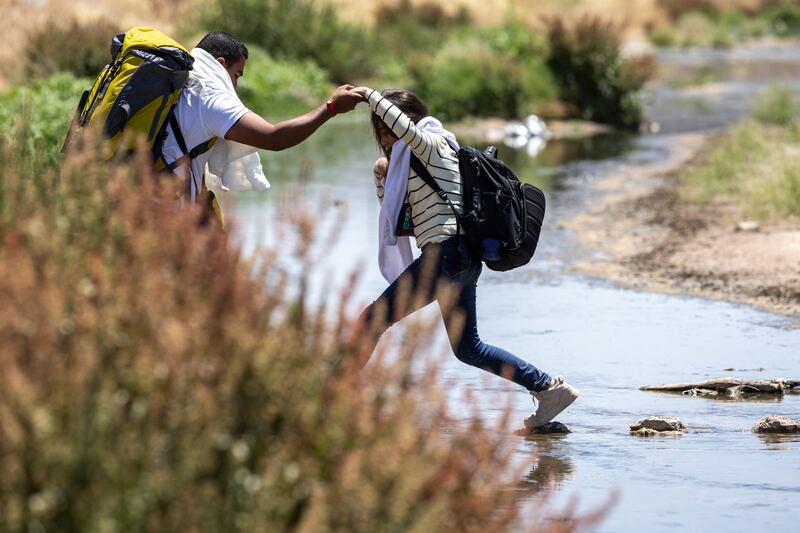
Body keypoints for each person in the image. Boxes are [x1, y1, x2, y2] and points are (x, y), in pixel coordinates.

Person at [350, 86, 579, 428]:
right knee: (467, 348)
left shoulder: (434, 143)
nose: (385, 135)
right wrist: (382, 180)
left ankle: (334, 398)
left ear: (407, 120)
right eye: (380, 130)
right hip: (457, 259)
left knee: (372, 320)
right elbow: (404, 223)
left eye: (388, 126)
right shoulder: (406, 165)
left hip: (446, 256)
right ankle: (547, 388)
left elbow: (407, 132)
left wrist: (368, 95)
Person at [160, 31, 362, 210]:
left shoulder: (178, 84)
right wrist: (331, 108)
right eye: (236, 75)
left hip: (141, 199)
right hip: (169, 212)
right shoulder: (209, 97)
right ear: (220, 64)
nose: (235, 85)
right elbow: (275, 138)